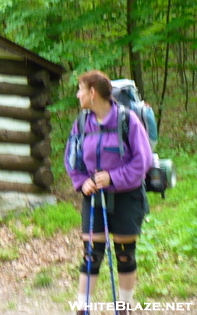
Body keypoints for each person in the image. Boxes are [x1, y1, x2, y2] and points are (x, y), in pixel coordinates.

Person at [64, 70, 152, 315]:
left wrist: (113, 177)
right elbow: (72, 159)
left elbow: (141, 162)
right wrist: (82, 182)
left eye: (80, 89)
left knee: (125, 255)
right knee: (91, 254)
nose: (77, 94)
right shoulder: (81, 123)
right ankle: (83, 309)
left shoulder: (128, 120)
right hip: (94, 197)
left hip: (127, 197)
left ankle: (124, 308)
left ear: (92, 93)